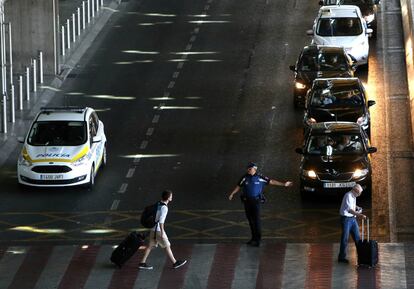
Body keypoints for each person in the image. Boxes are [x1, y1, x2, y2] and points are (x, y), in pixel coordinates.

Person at [228, 162, 293, 247]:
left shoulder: (260, 177)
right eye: (247, 168)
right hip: (247, 201)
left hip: (256, 202)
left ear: (255, 169)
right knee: (250, 220)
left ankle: (257, 240)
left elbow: (271, 181)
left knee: (256, 221)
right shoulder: (244, 177)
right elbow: (238, 186)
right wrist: (232, 193)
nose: (248, 170)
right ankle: (253, 238)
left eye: (250, 169)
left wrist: (284, 184)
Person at [139, 190, 187, 270]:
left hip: (153, 228)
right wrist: (162, 232)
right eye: (171, 196)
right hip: (158, 230)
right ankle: (175, 263)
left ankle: (142, 262)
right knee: (167, 245)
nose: (172, 197)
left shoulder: (158, 204)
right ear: (168, 198)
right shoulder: (164, 207)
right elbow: (161, 221)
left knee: (150, 246)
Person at [338, 184, 367, 263]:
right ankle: (341, 257)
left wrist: (357, 207)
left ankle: (362, 256)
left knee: (357, 238)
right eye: (359, 193)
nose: (359, 195)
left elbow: (351, 205)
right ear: (356, 191)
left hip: (352, 219)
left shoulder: (353, 196)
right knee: (345, 238)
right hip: (346, 219)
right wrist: (360, 215)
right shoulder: (348, 195)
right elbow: (350, 210)